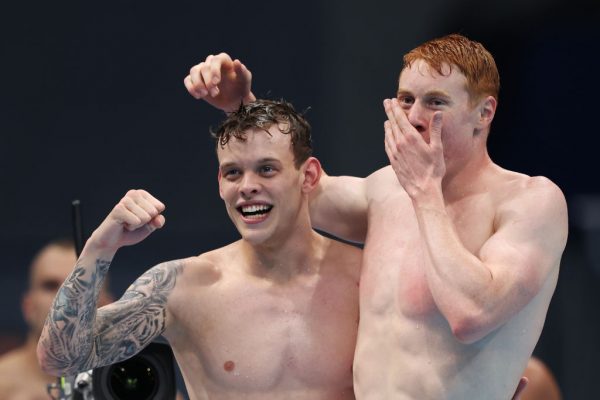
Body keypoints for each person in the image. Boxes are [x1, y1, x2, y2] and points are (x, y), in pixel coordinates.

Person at [185, 33, 568, 399]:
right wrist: (241, 108)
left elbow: (471, 314)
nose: (414, 117)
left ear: (484, 112)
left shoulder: (530, 201)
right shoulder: (386, 191)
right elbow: (296, 191)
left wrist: (425, 191)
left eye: (435, 102)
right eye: (405, 100)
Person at [37, 100, 362, 399]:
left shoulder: (363, 277)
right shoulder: (183, 286)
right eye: (233, 173)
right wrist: (100, 246)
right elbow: (60, 358)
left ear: (308, 176)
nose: (247, 186)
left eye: (266, 169)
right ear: (220, 182)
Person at [0, 239, 112, 400]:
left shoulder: (131, 384)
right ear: (28, 307)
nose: (64, 297)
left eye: (82, 284)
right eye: (50, 286)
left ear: (106, 306)